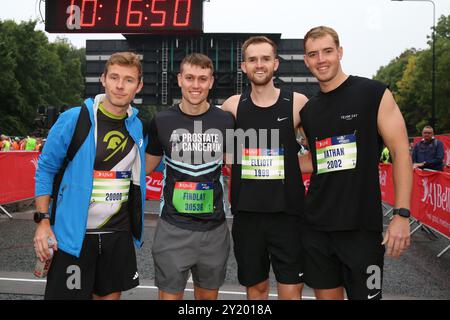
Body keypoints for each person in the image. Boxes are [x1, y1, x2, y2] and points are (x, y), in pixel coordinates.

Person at [299, 26, 412, 300]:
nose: (321, 59)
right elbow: (317, 161)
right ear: (306, 61)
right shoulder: (309, 110)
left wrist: (402, 214)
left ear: (340, 52)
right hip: (317, 228)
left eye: (327, 51)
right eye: (313, 54)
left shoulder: (373, 93)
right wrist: (250, 160)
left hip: (361, 229)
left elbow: (400, 153)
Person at [33, 52, 147, 300]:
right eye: (114, 77)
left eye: (128, 80)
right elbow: (45, 168)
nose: (120, 85)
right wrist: (42, 222)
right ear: (103, 79)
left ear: (138, 86)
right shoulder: (75, 118)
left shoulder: (137, 126)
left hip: (117, 235)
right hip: (74, 237)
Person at [221, 36, 309, 300]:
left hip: (289, 215)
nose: (259, 65)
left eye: (265, 59)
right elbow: (226, 157)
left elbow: (318, 157)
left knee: (291, 289)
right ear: (244, 66)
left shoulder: (298, 103)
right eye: (253, 59)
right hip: (248, 217)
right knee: (256, 289)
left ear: (276, 63)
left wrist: (287, 165)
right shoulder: (232, 106)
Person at [145, 53, 235, 300]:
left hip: (214, 230)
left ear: (211, 82)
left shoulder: (226, 121)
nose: (196, 85)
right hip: (172, 227)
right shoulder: (161, 121)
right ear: (180, 80)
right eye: (190, 78)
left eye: (202, 79)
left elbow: (237, 163)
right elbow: (144, 167)